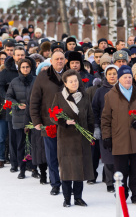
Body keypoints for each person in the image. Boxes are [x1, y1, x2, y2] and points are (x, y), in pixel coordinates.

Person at [101, 65, 136, 205]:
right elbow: (105, 118)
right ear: (119, 78)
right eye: (125, 77)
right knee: (120, 171)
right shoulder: (110, 95)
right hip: (119, 138)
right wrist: (106, 136)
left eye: (130, 77)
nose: (128, 79)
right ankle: (122, 196)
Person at [51, 69, 94, 208]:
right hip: (66, 139)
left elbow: (90, 117)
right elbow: (53, 116)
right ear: (65, 83)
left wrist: (90, 134)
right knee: (67, 170)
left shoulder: (85, 96)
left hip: (82, 138)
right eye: (71, 81)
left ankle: (78, 198)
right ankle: (67, 198)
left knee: (80, 170)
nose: (74, 83)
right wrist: (64, 122)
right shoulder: (59, 97)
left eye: (76, 80)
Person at [30, 51, 68, 196]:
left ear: (65, 60)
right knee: (52, 155)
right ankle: (55, 183)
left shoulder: (71, 74)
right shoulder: (42, 76)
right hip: (49, 122)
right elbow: (35, 100)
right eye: (56, 59)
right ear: (51, 61)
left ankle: (67, 182)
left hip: (68, 123)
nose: (59, 61)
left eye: (61, 59)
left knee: (66, 155)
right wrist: (36, 120)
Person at [6, 58, 36, 179]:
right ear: (19, 68)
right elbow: (8, 97)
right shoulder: (14, 81)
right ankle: (22, 169)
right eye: (23, 67)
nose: (25, 69)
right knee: (21, 145)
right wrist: (17, 104)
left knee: (34, 145)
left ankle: (34, 168)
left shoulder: (36, 80)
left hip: (33, 117)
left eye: (27, 67)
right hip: (19, 117)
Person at [92, 64, 119, 192]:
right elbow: (95, 109)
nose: (112, 76)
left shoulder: (124, 88)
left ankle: (120, 180)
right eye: (110, 74)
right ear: (105, 76)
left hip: (121, 129)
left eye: (114, 73)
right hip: (105, 128)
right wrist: (96, 126)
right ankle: (109, 182)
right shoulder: (100, 91)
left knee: (120, 157)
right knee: (108, 157)